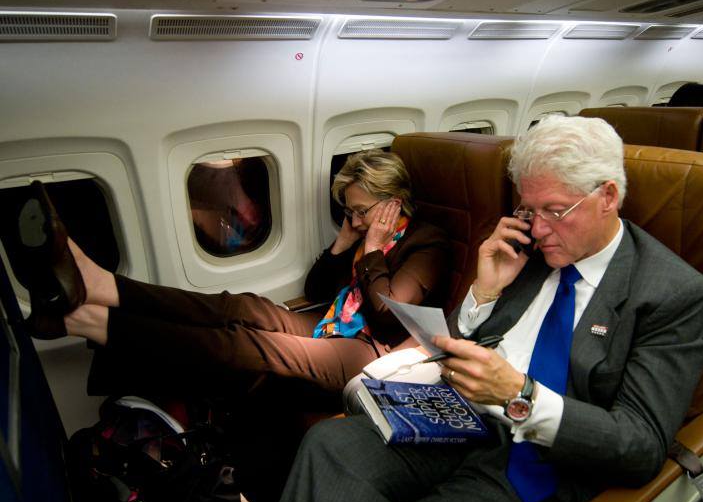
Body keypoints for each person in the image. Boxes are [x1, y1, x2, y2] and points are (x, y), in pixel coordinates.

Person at [268, 115, 703, 502]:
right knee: (328, 445)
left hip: (541, 461)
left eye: (555, 211)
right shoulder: (525, 252)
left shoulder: (671, 293)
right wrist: (482, 292)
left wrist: (520, 395)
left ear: (608, 196)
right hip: (460, 419)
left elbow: (640, 445)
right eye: (529, 210)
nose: (538, 228)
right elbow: (454, 343)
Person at [6, 149, 451, 394]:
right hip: (332, 322)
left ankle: (85, 319)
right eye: (348, 211)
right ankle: (103, 287)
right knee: (238, 307)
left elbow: (387, 316)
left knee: (247, 343)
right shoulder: (363, 235)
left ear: (392, 203)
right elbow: (318, 288)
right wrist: (346, 242)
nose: (353, 220)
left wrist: (370, 249)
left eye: (360, 211)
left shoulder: (426, 242)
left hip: (372, 352)